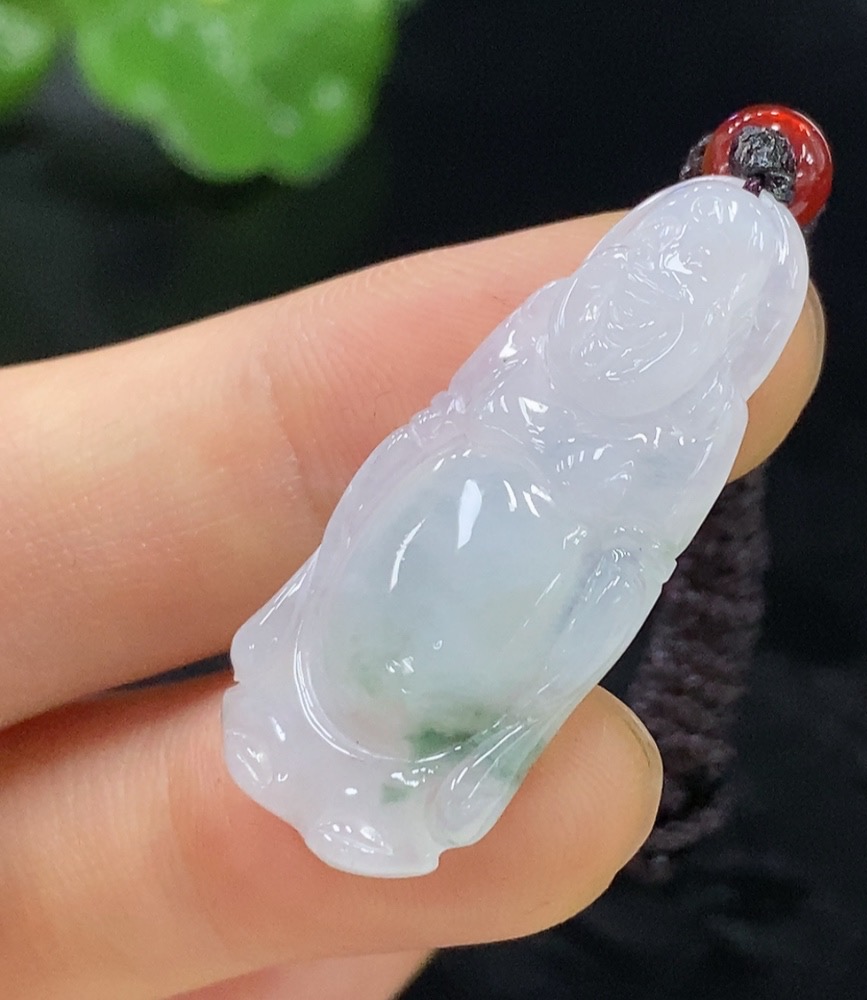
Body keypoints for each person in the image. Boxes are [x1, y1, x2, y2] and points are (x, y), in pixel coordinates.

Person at [0, 210, 825, 1000]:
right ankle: (313, 732)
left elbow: (624, 581)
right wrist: (298, 600)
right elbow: (418, 444)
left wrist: (510, 740)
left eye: (678, 314)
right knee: (345, 663)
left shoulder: (683, 438)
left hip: (510, 606)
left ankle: (386, 788)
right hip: (419, 531)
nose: (629, 319)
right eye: (630, 282)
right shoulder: (536, 344)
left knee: (430, 728)